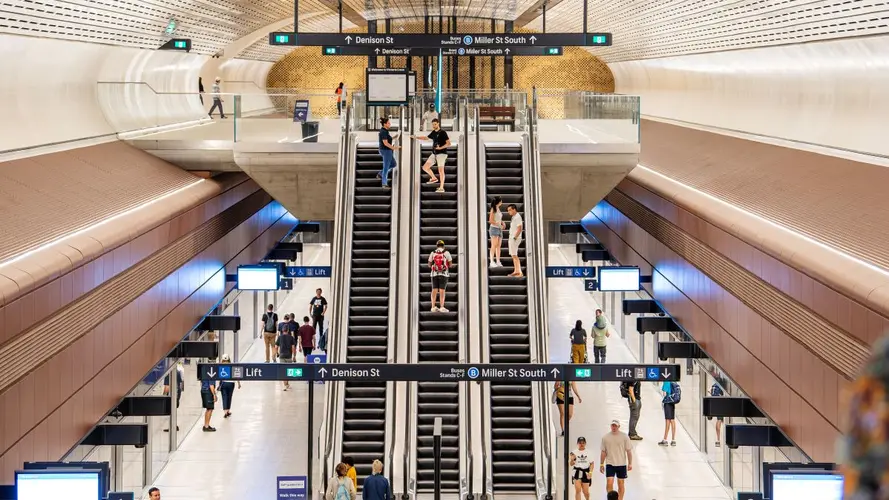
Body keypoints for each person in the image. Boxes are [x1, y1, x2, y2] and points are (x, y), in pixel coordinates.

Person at [411, 118, 451, 193]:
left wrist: (440, 148)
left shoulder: (443, 132)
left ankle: (441, 187)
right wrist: (416, 137)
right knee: (425, 167)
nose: (434, 126)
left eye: (435, 124)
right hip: (434, 153)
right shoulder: (433, 132)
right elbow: (426, 138)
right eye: (433, 124)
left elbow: (449, 143)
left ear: (438, 123)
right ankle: (433, 178)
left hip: (442, 154)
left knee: (441, 171)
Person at [599, 420, 633, 500]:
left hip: (621, 464)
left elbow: (629, 451)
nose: (614, 427)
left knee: (621, 483)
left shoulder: (624, 437)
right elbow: (603, 452)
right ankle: (610, 498)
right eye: (612, 425)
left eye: (615, 426)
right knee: (609, 482)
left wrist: (630, 463)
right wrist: (601, 464)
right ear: (610, 426)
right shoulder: (605, 437)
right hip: (610, 463)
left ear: (618, 426)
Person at [428, 240, 453, 312]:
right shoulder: (446, 252)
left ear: (437, 245)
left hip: (434, 274)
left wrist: (435, 266)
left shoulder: (433, 253)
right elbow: (450, 265)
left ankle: (433, 307)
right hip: (444, 274)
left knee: (434, 290)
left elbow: (429, 264)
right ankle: (442, 307)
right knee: (442, 290)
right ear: (443, 245)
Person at [377, 117, 400, 189]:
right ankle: (384, 184)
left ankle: (380, 174)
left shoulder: (386, 131)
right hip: (386, 150)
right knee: (386, 167)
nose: (390, 124)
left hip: (387, 150)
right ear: (384, 124)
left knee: (393, 164)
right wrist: (394, 148)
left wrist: (394, 137)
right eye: (388, 123)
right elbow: (385, 143)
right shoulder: (383, 131)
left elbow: (388, 139)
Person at [162, 361, 184, 432]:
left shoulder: (168, 374)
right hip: (177, 394)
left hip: (171, 395)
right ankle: (174, 425)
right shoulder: (177, 372)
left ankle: (172, 426)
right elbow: (181, 384)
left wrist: (163, 396)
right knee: (173, 410)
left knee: (170, 411)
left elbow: (167, 387)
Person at [217, 354, 240, 418]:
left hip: (223, 383)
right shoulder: (232, 365)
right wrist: (238, 383)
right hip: (231, 383)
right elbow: (236, 375)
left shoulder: (220, 366)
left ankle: (225, 411)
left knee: (224, 397)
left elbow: (219, 376)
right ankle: (228, 410)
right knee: (229, 396)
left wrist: (219, 384)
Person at [276, 325, 297, 391]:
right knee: (288, 371)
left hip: (282, 356)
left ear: (282, 330)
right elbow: (293, 347)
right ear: (288, 330)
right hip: (289, 356)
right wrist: (294, 356)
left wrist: (277, 353)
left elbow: (276, 346)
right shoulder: (291, 337)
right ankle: (286, 384)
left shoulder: (279, 337)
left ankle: (286, 384)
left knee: (283, 371)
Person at [659, 380, 679, 446]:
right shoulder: (673, 381)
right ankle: (673, 440)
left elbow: (664, 393)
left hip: (667, 402)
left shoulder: (666, 381)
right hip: (672, 402)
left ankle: (665, 439)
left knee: (668, 420)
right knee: (672, 420)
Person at [506, 204, 524, 277]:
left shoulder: (517, 217)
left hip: (515, 238)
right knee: (513, 255)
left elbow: (519, 228)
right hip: (512, 238)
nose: (508, 212)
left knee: (515, 255)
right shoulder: (514, 217)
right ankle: (516, 271)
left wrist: (514, 238)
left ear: (514, 209)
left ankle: (519, 272)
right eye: (508, 210)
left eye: (510, 210)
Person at [488, 196, 504, 267]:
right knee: (494, 245)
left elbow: (498, 218)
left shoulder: (498, 209)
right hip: (494, 229)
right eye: (501, 201)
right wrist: (498, 224)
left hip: (499, 229)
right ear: (498, 202)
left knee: (498, 246)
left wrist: (502, 223)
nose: (502, 202)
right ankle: (491, 261)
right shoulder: (493, 209)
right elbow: (491, 220)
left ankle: (498, 261)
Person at [709, 382, 724, 446]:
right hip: (721, 405)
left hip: (715, 404)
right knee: (719, 420)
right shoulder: (723, 385)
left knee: (719, 421)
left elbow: (710, 391)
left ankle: (718, 439)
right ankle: (718, 440)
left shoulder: (714, 385)